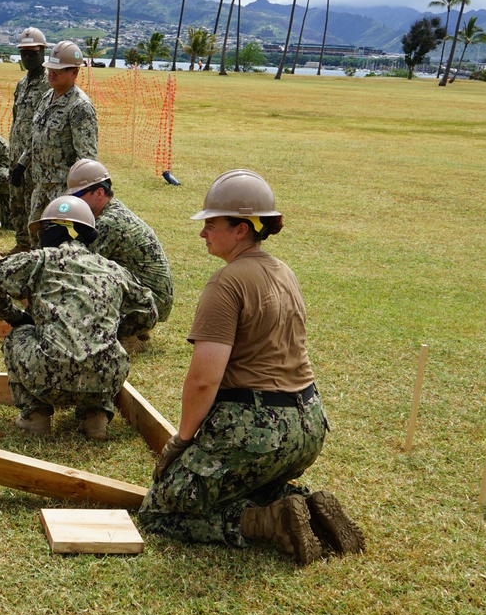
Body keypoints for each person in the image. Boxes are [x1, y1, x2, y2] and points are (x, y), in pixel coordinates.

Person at [138, 169, 364, 564]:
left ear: (241, 229)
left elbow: (204, 380)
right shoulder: (284, 272)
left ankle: (267, 522)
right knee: (242, 480)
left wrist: (183, 440)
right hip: (308, 426)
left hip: (256, 430)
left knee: (161, 507)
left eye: (211, 224)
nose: (203, 233)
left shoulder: (226, 284)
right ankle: (302, 506)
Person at [0, 195, 157, 442]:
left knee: (18, 336)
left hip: (47, 374)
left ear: (47, 232)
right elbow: (148, 310)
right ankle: (95, 418)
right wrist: (116, 330)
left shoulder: (40, 260)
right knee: (104, 347)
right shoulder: (112, 269)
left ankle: (35, 415)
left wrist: (15, 317)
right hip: (105, 378)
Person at [66, 157, 174, 347]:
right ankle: (133, 328)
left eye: (79, 194)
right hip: (151, 299)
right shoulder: (110, 211)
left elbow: (75, 269)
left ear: (99, 192)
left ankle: (127, 336)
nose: (74, 200)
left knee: (85, 278)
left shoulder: (108, 223)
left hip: (150, 304)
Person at [13, 40, 98, 239]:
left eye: (58, 71)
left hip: (62, 189)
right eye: (50, 69)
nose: (52, 74)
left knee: (60, 241)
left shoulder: (80, 107)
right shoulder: (47, 97)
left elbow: (87, 158)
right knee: (34, 233)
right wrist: (22, 164)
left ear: (74, 73)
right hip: (40, 184)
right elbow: (36, 136)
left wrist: (79, 195)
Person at [7, 26, 49, 252]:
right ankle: (21, 244)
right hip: (15, 154)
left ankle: (35, 250)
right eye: (24, 53)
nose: (27, 57)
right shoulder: (22, 84)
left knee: (33, 205)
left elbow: (40, 127)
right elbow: (16, 121)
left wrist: (24, 160)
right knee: (16, 203)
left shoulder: (47, 84)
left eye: (32, 53)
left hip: (33, 159)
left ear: (43, 52)